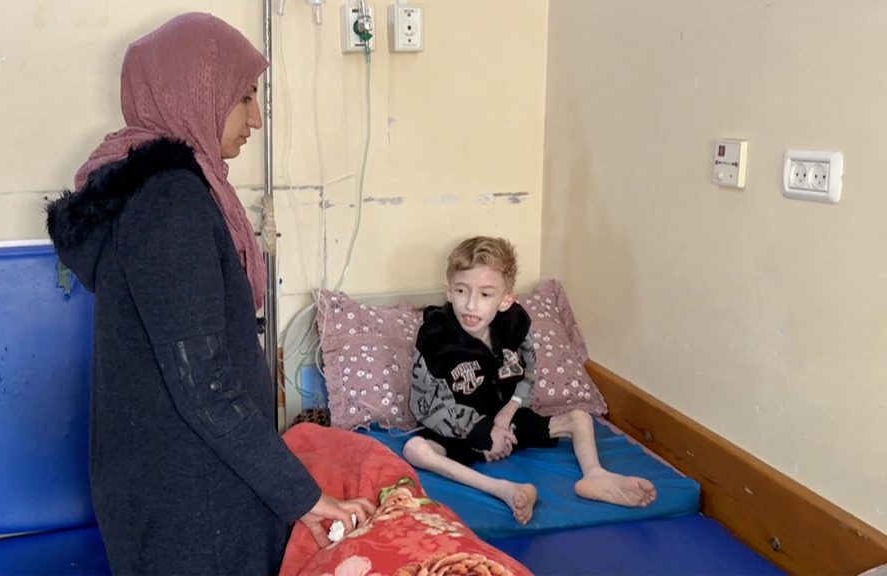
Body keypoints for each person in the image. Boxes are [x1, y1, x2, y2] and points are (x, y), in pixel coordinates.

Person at [46, 13, 372, 574]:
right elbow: (205, 385)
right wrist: (304, 498)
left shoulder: (160, 192)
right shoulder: (169, 203)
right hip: (193, 509)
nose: (257, 119)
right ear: (192, 91)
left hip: (181, 486)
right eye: (244, 97)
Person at [403, 236, 657, 525]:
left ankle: (595, 475)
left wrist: (507, 415)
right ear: (449, 292)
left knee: (579, 418)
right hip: (460, 432)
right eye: (462, 291)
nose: (471, 305)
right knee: (415, 449)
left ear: (505, 300)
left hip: (508, 423)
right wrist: (484, 433)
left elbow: (528, 375)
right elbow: (426, 406)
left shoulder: (515, 325)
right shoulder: (435, 337)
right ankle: (504, 489)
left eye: (485, 295)